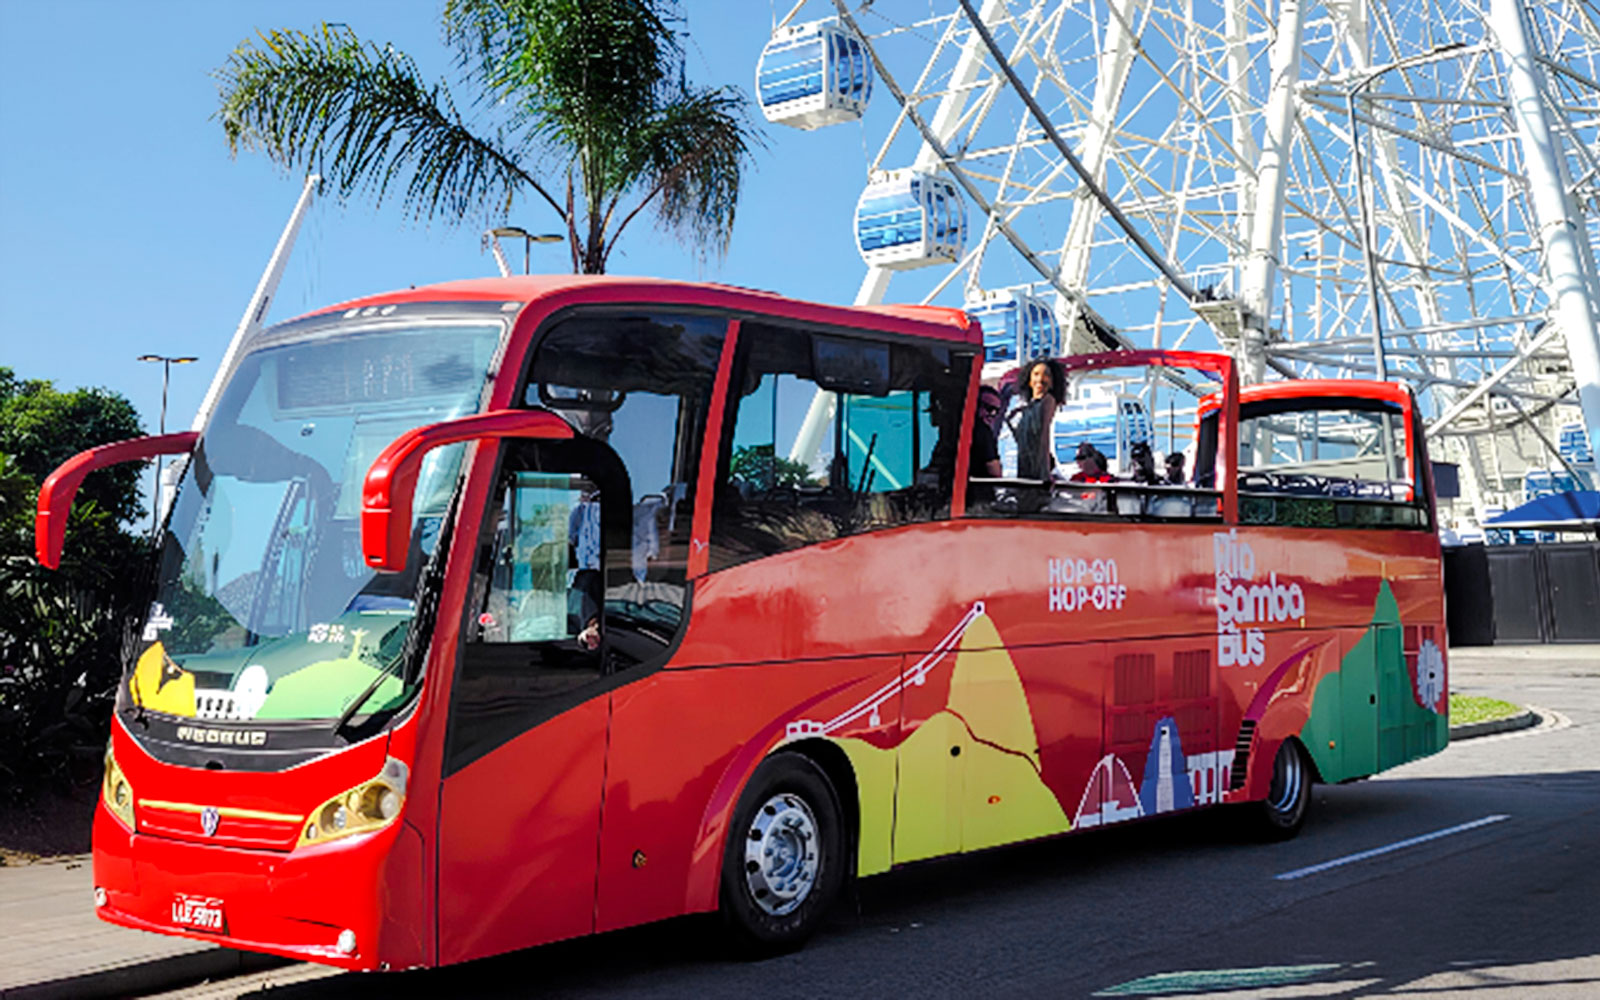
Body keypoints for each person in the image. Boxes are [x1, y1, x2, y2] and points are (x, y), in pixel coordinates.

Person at [1011, 358, 1066, 481]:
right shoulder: (1027, 408)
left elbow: (1043, 435)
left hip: (1037, 472)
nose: (1040, 379)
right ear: (1029, 380)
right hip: (1024, 468)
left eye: (1046, 375)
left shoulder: (1047, 401)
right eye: (1036, 374)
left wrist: (1045, 473)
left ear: (1052, 382)